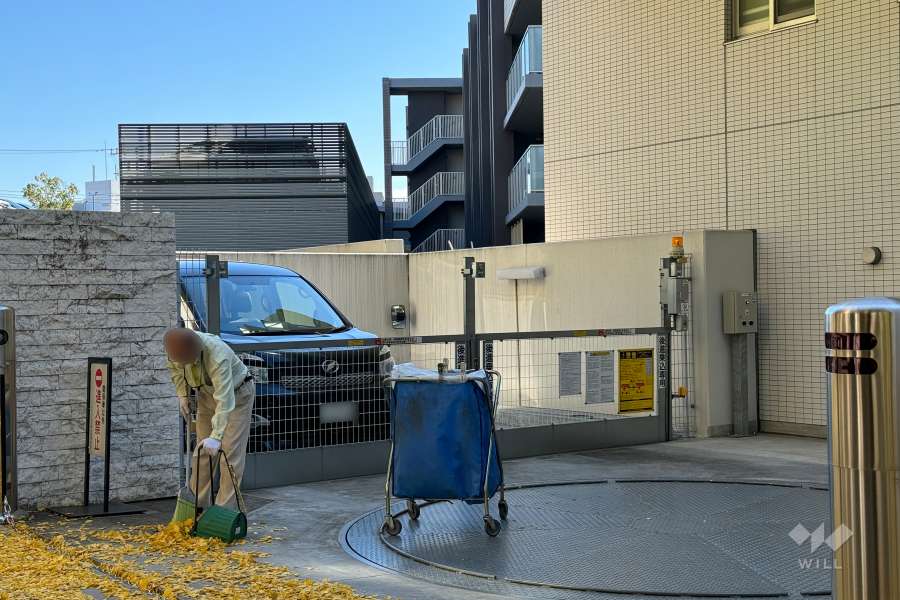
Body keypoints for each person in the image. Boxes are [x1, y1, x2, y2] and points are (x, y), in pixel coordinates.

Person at [164, 328, 254, 509]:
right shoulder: (174, 348)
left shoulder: (217, 356)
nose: (179, 363)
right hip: (205, 394)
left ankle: (225, 510)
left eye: (184, 361)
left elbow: (225, 400)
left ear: (194, 353)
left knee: (229, 455)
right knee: (202, 452)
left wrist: (217, 436)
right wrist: (182, 395)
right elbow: (176, 371)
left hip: (236, 396)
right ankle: (196, 506)